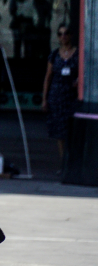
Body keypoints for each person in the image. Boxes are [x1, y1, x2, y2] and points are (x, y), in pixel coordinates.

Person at [41, 24, 78, 167]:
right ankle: (64, 163)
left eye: (66, 33)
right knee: (59, 131)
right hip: (57, 95)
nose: (63, 36)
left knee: (72, 130)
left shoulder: (77, 54)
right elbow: (48, 77)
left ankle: (72, 161)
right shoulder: (55, 54)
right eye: (60, 34)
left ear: (71, 35)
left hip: (72, 96)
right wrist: (44, 99)